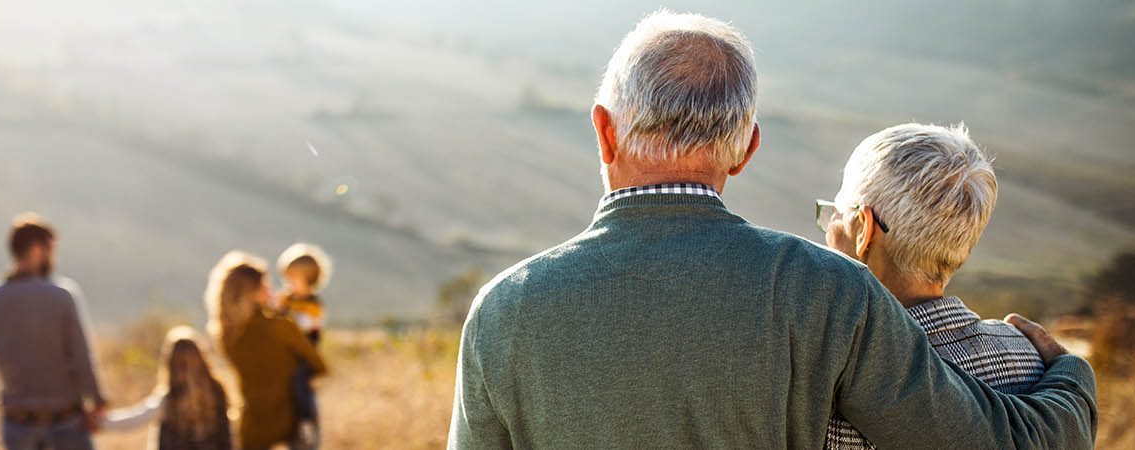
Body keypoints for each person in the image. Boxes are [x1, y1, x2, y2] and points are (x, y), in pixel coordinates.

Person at [447, 11, 1096, 450]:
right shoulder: (828, 290)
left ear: (604, 129)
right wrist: (1071, 377)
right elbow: (984, 440)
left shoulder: (505, 309)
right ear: (745, 148)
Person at [818, 123, 1047, 449]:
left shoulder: (832, 384)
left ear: (864, 230)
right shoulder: (1032, 361)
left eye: (834, 215)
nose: (826, 232)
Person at [0, 213, 107, 450]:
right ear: (37, 250)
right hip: (66, 421)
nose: (54, 258)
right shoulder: (62, 296)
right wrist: (98, 400)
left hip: (17, 424)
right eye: (51, 250)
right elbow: (81, 358)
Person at [205, 251, 328, 450]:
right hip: (292, 423)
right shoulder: (281, 327)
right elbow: (319, 366)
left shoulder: (227, 336)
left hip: (252, 425)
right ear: (254, 292)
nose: (273, 289)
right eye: (265, 285)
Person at [102, 326, 233, 450]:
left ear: (170, 364)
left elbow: (135, 419)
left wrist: (100, 423)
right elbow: (228, 436)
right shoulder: (217, 392)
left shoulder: (169, 399)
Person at [274, 243, 334, 449]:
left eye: (293, 279)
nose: (288, 283)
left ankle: (306, 420)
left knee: (299, 381)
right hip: (286, 355)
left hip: (305, 355)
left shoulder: (314, 305)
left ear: (309, 280)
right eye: (286, 278)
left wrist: (286, 316)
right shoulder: (286, 299)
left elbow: (305, 326)